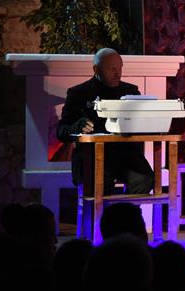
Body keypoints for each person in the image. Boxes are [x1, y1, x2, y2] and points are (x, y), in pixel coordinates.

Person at [56, 48, 154, 194]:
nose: (118, 74)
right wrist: (77, 127)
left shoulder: (130, 92)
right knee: (98, 182)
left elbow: (143, 124)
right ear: (96, 69)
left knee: (145, 179)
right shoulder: (79, 93)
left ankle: (124, 208)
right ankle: (105, 209)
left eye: (120, 68)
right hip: (91, 156)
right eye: (112, 69)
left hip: (126, 156)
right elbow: (61, 131)